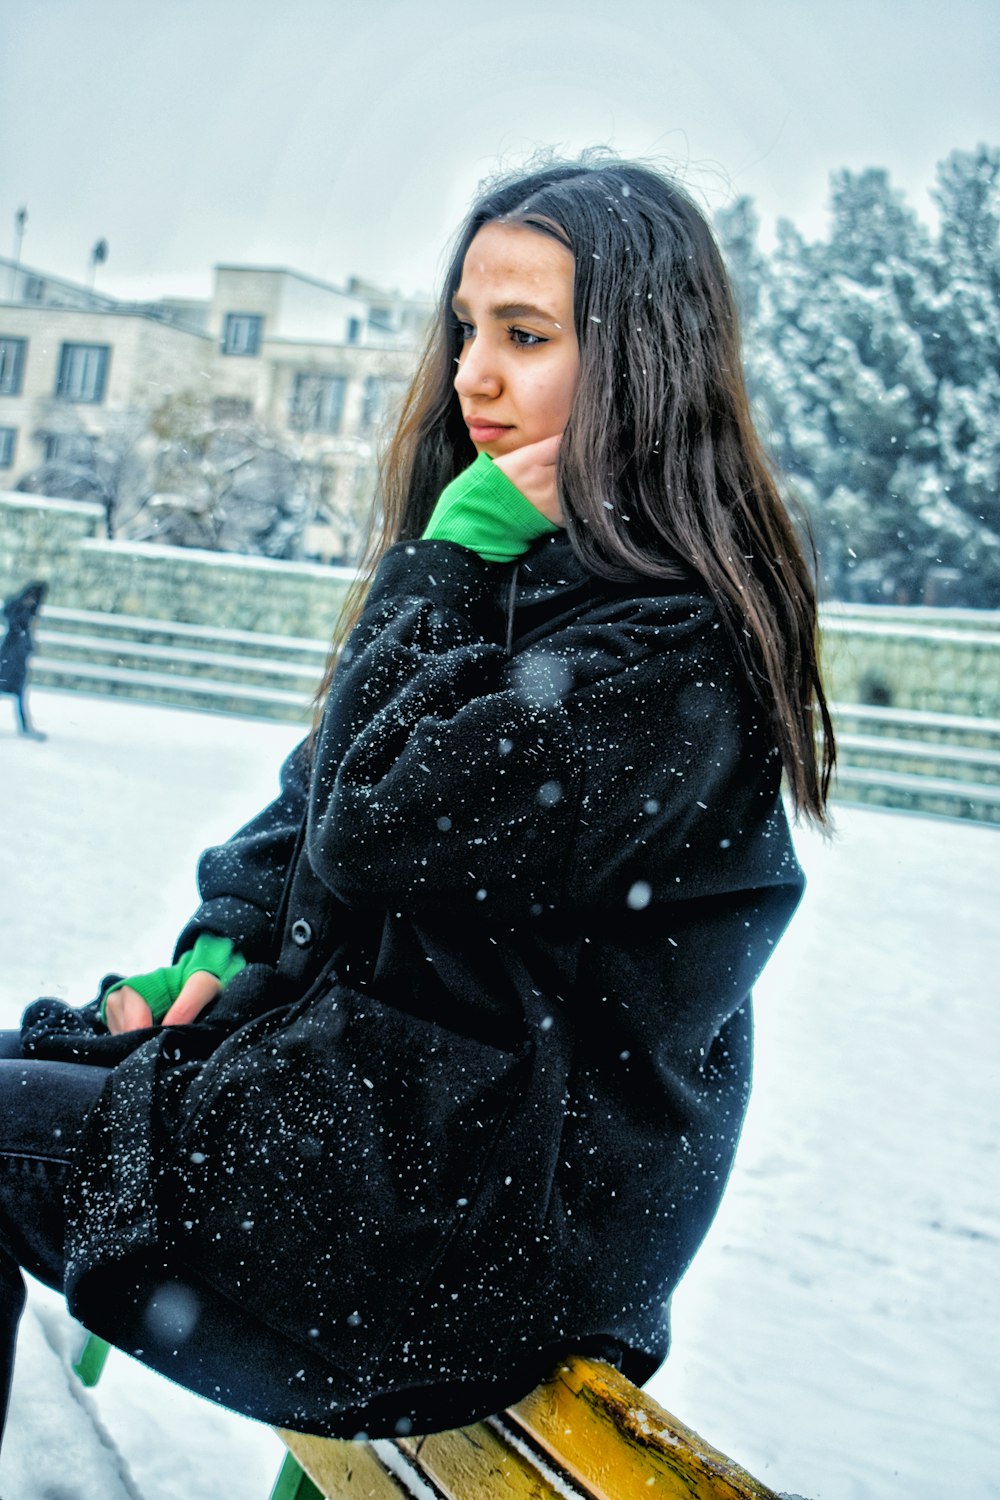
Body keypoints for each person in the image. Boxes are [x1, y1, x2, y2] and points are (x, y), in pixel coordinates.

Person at [0, 156, 834, 1447]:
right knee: (26, 1068)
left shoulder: (673, 654)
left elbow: (377, 817)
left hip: (475, 1220)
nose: (473, 374)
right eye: (466, 329)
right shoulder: (528, 584)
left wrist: (438, 562)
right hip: (401, 1135)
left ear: (644, 365)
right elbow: (313, 805)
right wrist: (222, 946)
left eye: (526, 336)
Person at [0, 580, 48, 740]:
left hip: (18, 658)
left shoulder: (27, 609)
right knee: (15, 691)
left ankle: (25, 727)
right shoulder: (17, 607)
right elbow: (13, 622)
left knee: (19, 694)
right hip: (10, 655)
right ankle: (25, 727)